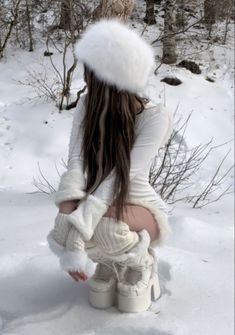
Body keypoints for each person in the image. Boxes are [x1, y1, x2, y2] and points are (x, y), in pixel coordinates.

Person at [47, 18, 173, 313]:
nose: (86, 80)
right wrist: (67, 220)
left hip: (138, 205)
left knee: (101, 225)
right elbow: (76, 162)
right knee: (64, 224)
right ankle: (109, 263)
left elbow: (121, 177)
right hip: (97, 200)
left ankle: (142, 264)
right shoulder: (86, 106)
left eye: (92, 72)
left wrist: (77, 240)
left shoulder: (156, 118)